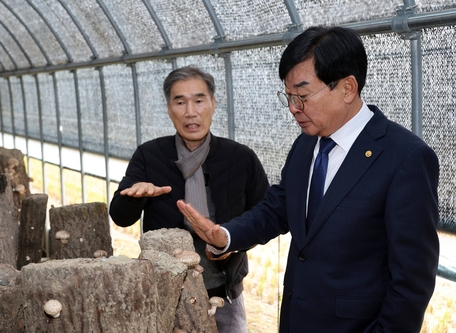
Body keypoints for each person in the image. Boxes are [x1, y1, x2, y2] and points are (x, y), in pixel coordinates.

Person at [177, 26, 440, 333]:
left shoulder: (404, 157)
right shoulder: (307, 143)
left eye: (302, 95)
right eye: (288, 96)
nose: (293, 108)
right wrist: (227, 236)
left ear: (347, 88)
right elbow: (281, 205)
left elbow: (413, 278)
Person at [109, 65, 270, 333]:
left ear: (213, 103)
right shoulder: (150, 156)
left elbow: (265, 216)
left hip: (225, 290)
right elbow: (120, 217)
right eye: (180, 102)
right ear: (169, 108)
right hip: (165, 289)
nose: (190, 111)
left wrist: (234, 241)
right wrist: (136, 196)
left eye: (199, 100)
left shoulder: (240, 158)